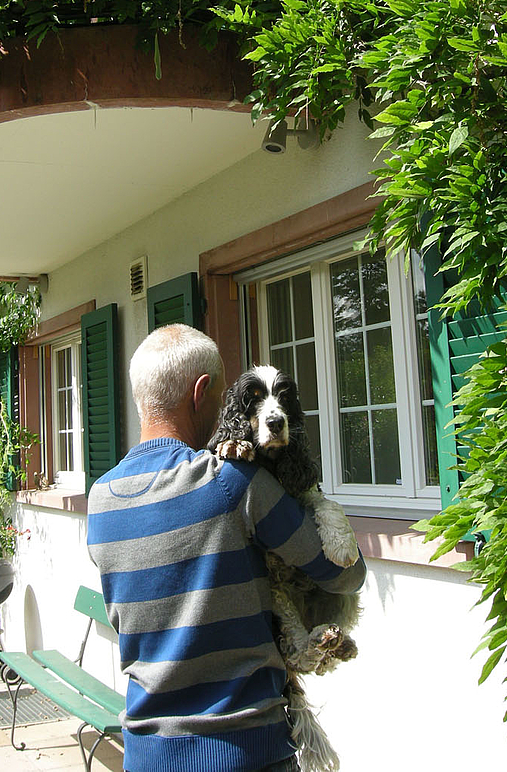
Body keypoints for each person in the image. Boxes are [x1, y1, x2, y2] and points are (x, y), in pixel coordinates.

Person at [87, 324, 366, 772]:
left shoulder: (100, 500)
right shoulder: (232, 481)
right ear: (201, 394)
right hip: (246, 751)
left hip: (146, 754)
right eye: (220, 400)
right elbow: (346, 574)